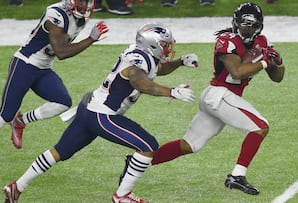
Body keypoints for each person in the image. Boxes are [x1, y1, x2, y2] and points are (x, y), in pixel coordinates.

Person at [3, 22, 199, 203]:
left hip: (90, 109)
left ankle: (17, 186)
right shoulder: (139, 59)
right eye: (165, 45)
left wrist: (180, 62)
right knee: (148, 145)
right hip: (102, 115)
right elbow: (141, 82)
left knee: (59, 152)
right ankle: (122, 196)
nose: (168, 49)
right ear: (153, 45)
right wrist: (171, 92)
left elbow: (157, 70)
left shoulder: (142, 55)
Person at [151, 2, 285, 195]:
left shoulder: (262, 42)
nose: (248, 29)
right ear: (236, 23)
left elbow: (277, 78)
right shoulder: (227, 40)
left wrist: (277, 62)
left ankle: (140, 161)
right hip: (220, 94)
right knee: (260, 126)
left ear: (260, 26)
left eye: (253, 25)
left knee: (190, 145)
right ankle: (237, 176)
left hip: (221, 99)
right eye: (245, 24)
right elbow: (237, 72)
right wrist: (264, 61)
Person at [0, 0, 109, 150]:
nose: (86, 5)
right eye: (83, 1)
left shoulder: (80, 16)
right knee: (5, 115)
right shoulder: (56, 14)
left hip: (43, 69)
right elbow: (61, 52)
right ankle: (12, 118)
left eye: (89, 1)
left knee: (63, 102)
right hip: (25, 64)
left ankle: (20, 121)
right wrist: (90, 39)